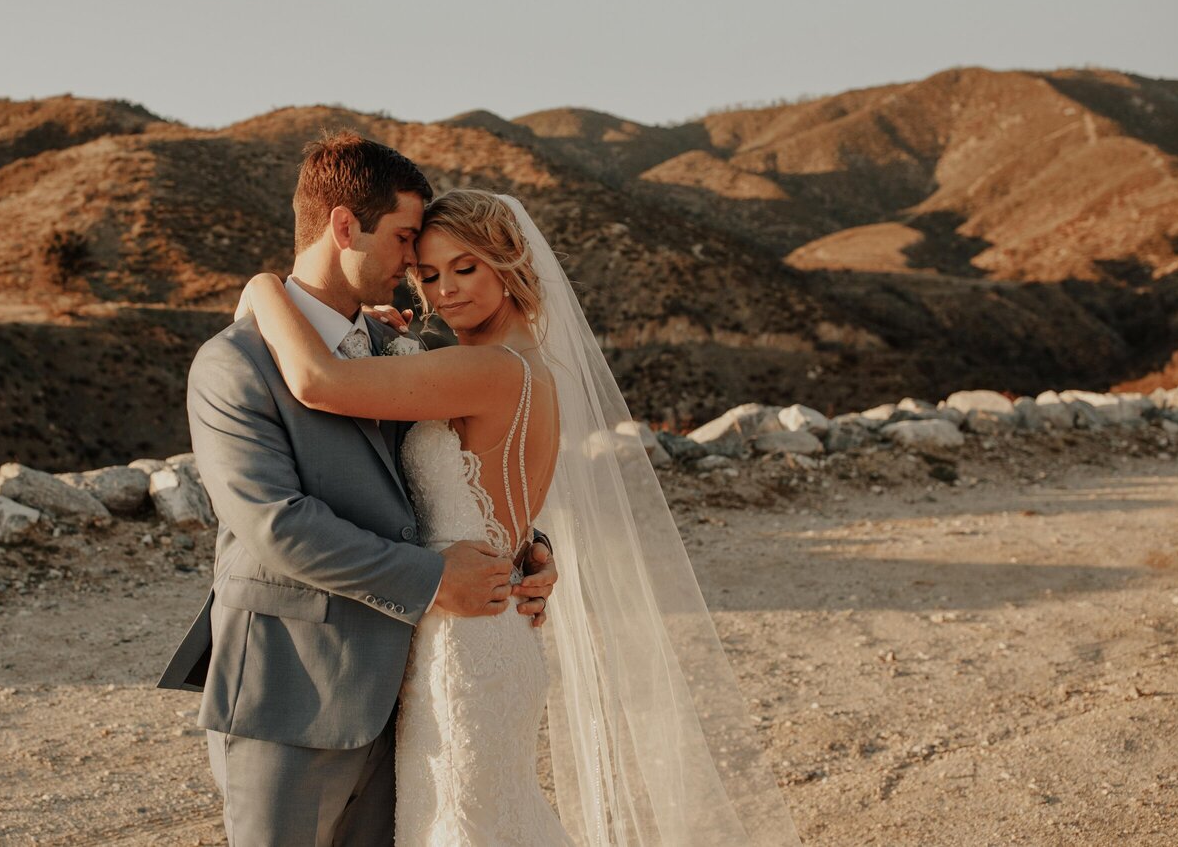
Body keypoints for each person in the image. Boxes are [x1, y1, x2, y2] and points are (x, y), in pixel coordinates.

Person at [237, 188, 807, 846]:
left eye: (466, 268)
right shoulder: (525, 363)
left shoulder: (489, 368)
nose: (444, 291)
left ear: (508, 264)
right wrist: (533, 550)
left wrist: (260, 288)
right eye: (428, 274)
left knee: (461, 826)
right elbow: (489, 505)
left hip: (465, 646)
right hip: (491, 622)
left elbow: (320, 382)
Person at [156, 134, 558, 847]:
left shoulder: (402, 353)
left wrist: (525, 547)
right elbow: (277, 525)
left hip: (408, 692)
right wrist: (437, 578)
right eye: (408, 241)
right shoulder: (235, 362)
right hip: (291, 692)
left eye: (450, 265)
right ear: (346, 227)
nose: (416, 268)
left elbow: (466, 471)